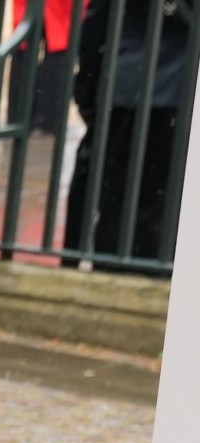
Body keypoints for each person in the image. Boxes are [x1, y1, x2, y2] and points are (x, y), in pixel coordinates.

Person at [72, 0, 192, 263]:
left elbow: (96, 23)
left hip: (124, 86)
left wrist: (89, 86)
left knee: (116, 198)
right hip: (178, 94)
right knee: (165, 205)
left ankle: (112, 271)